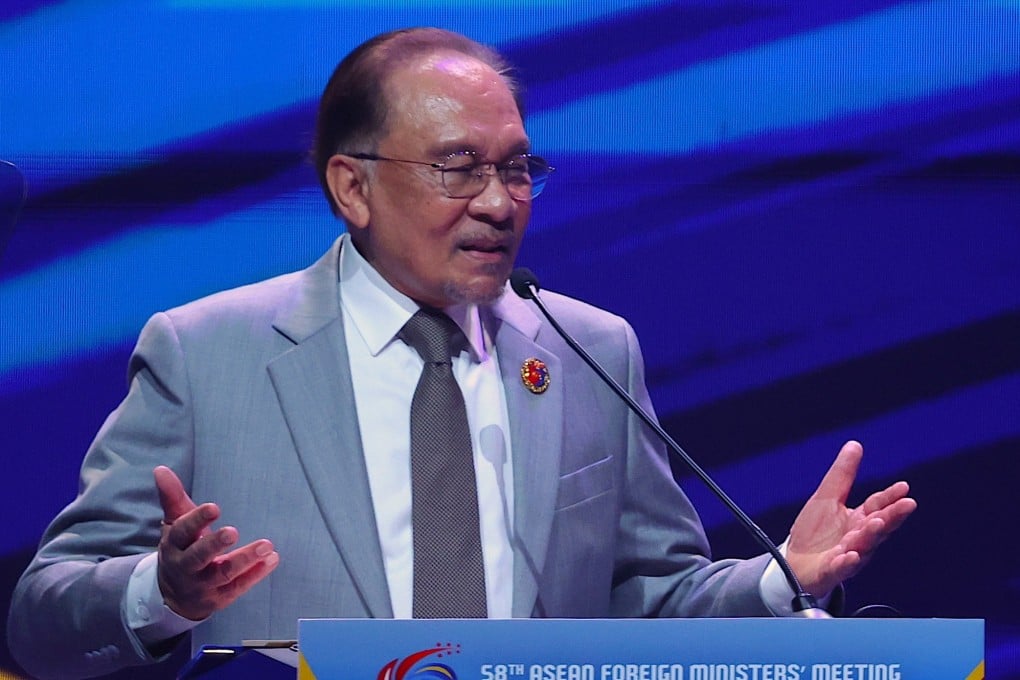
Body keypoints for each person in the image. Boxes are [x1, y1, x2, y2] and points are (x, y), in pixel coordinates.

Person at [7, 27, 916, 680]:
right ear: (350, 187)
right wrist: (159, 593)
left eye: (518, 167)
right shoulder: (206, 353)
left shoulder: (587, 348)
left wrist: (776, 581)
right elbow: (40, 623)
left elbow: (644, 599)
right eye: (457, 167)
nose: (499, 201)